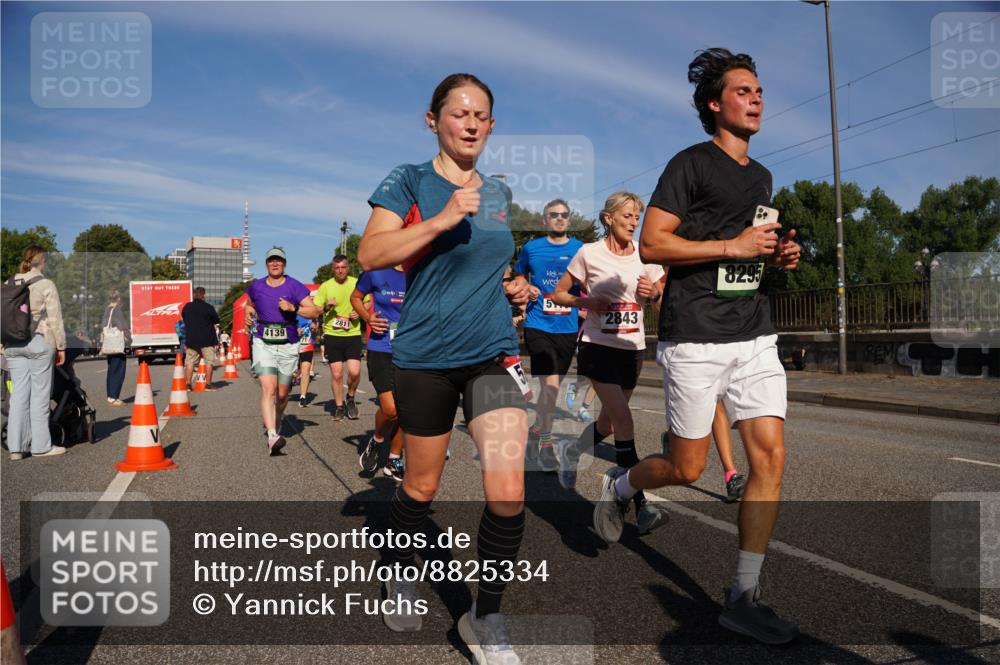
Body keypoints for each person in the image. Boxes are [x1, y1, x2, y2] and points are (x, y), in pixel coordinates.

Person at [598, 48, 802, 644]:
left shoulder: (761, 176)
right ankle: (622, 486)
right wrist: (733, 248)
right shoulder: (689, 164)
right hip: (695, 336)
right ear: (716, 104)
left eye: (760, 90)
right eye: (744, 91)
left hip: (755, 332)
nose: (757, 98)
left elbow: (750, 249)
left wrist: (777, 256)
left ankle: (743, 595)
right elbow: (656, 244)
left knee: (770, 459)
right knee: (688, 468)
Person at [358, 73, 531, 664]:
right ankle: (401, 567)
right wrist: (438, 220)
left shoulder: (501, 194)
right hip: (424, 358)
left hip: (491, 352)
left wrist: (515, 287)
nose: (472, 123)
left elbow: (484, 266)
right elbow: (371, 253)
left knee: (508, 491)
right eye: (459, 113)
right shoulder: (408, 180)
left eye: (482, 114)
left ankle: (486, 617)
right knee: (421, 486)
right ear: (432, 120)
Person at [551, 192, 666, 538]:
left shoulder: (647, 257)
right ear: (608, 218)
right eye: (628, 216)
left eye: (637, 217)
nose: (634, 222)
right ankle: (641, 504)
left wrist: (655, 294)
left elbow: (663, 306)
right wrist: (586, 300)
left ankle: (572, 449)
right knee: (624, 419)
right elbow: (558, 294)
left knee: (609, 423)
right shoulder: (589, 253)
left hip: (632, 349)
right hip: (597, 347)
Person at [515, 198, 584, 472]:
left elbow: (590, 280)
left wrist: (584, 306)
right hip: (537, 324)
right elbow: (517, 278)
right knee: (550, 387)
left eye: (564, 215)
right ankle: (545, 444)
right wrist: (526, 288)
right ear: (545, 220)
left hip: (567, 328)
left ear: (569, 219)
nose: (559, 219)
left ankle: (535, 431)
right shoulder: (532, 248)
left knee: (551, 392)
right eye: (553, 215)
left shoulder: (581, 249)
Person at [243, 247, 320, 454]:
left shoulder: (295, 286)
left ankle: (277, 420)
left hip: (288, 344)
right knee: (269, 388)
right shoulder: (257, 286)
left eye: (279, 261)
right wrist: (248, 311)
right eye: (271, 261)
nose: (275, 264)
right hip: (263, 343)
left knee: (283, 393)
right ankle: (272, 435)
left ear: (284, 264)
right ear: (266, 264)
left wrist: (293, 308)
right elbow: (249, 305)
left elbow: (314, 310)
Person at [3, 245, 67, 459]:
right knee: (39, 397)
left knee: (19, 396)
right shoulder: (46, 283)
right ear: (43, 262)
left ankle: (16, 448)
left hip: (12, 344)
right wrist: (61, 346)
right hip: (39, 341)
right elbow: (55, 318)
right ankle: (41, 446)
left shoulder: (9, 283)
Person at [351, 264, 406, 480]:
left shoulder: (421, 269)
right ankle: (377, 439)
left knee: (406, 409)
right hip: (382, 347)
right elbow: (355, 297)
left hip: (413, 349)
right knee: (391, 409)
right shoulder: (376, 272)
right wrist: (368, 317)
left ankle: (394, 458)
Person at [312, 255, 362, 421]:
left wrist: (359, 311)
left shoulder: (357, 282)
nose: (340, 270)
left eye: (343, 267)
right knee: (337, 374)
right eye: (337, 268)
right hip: (333, 334)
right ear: (333, 269)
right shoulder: (326, 286)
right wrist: (328, 306)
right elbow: (317, 309)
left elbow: (367, 302)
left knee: (354, 372)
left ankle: (351, 397)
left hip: (353, 334)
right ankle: (340, 406)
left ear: (348, 268)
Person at [181, 287, 219, 389]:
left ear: (194, 294)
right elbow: (216, 320)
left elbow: (184, 317)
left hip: (192, 339)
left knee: (190, 362)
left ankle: (188, 384)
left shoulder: (187, 307)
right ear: (204, 295)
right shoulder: (209, 307)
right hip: (207, 339)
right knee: (209, 362)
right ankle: (208, 384)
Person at [101, 288, 131, 406]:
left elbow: (104, 324)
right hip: (117, 344)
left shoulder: (107, 309)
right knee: (118, 370)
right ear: (118, 298)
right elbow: (122, 325)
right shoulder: (117, 310)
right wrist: (129, 338)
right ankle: (114, 396)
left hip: (109, 343)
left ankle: (110, 395)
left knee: (111, 369)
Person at [295, 315, 316, 407]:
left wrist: (314, 327)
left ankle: (303, 397)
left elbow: (315, 326)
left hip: (306, 344)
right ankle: (291, 380)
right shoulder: (292, 308)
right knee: (292, 372)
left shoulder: (311, 311)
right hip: (292, 344)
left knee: (306, 370)